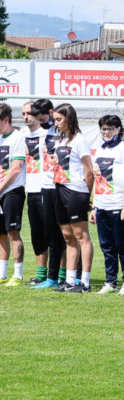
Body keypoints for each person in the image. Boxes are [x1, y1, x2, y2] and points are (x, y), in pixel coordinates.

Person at [90, 114, 124, 294]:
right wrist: (94, 206)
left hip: (118, 204)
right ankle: (110, 281)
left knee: (122, 245)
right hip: (102, 205)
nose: (106, 132)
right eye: (104, 129)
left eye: (110, 128)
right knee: (106, 246)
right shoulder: (99, 150)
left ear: (118, 129)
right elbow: (96, 179)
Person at [51, 103, 94, 292]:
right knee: (68, 238)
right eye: (54, 120)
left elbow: (89, 170)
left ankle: (84, 281)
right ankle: (70, 280)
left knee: (82, 237)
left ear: (69, 119)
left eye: (59, 119)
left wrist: (86, 195)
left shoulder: (79, 140)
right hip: (59, 190)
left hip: (76, 192)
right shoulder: (61, 141)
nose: (56, 123)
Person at [28, 99, 69, 289]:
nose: (39, 120)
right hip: (46, 187)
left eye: (41, 117)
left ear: (51, 112)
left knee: (68, 233)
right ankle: (51, 278)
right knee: (51, 234)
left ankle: (70, 275)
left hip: (63, 187)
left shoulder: (67, 132)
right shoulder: (46, 131)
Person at [20, 102, 51, 286]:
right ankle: (41, 274)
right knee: (36, 233)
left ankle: (61, 274)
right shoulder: (22, 135)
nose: (26, 116)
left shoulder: (48, 134)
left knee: (53, 233)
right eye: (23, 113)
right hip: (30, 190)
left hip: (47, 189)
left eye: (30, 113)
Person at [0, 103, 27, 285]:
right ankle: (2, 275)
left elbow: (16, 168)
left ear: (6, 119)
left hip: (11, 191)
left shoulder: (18, 137)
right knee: (0, 234)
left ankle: (17, 275)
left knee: (12, 232)